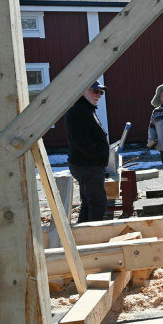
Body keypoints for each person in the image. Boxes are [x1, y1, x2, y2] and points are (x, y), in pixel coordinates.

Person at [65, 80, 111, 222]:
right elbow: (81, 142)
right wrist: (99, 157)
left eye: (101, 92)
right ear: (83, 92)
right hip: (87, 166)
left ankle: (83, 233)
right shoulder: (78, 111)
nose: (99, 95)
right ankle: (94, 236)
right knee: (98, 203)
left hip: (89, 165)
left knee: (88, 202)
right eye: (95, 91)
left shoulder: (86, 110)